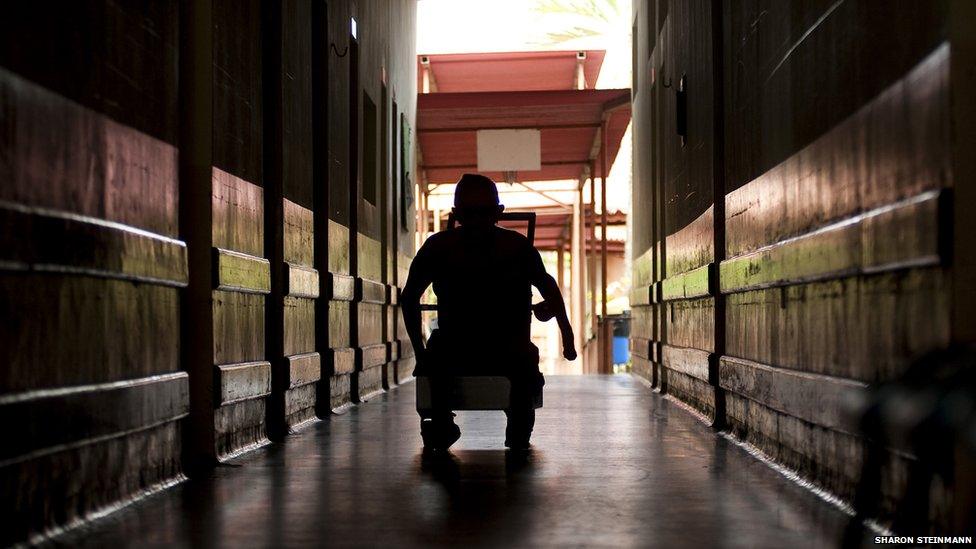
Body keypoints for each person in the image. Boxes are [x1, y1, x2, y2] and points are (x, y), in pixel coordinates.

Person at [401, 173, 577, 451]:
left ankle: (445, 422)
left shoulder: (443, 247)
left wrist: (420, 352)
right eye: (471, 214)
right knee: (518, 359)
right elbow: (549, 290)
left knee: (442, 355)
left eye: (481, 213)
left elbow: (409, 298)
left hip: (469, 347)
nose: (476, 221)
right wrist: (566, 335)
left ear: (497, 213)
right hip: (492, 348)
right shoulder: (514, 247)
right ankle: (456, 423)